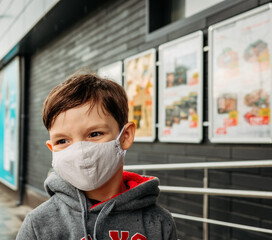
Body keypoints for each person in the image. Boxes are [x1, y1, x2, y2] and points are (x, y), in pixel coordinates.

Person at [16, 73, 177, 240]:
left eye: (94, 134)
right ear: (52, 148)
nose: (80, 151)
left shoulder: (159, 224)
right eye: (62, 140)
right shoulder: (39, 225)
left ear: (125, 136)